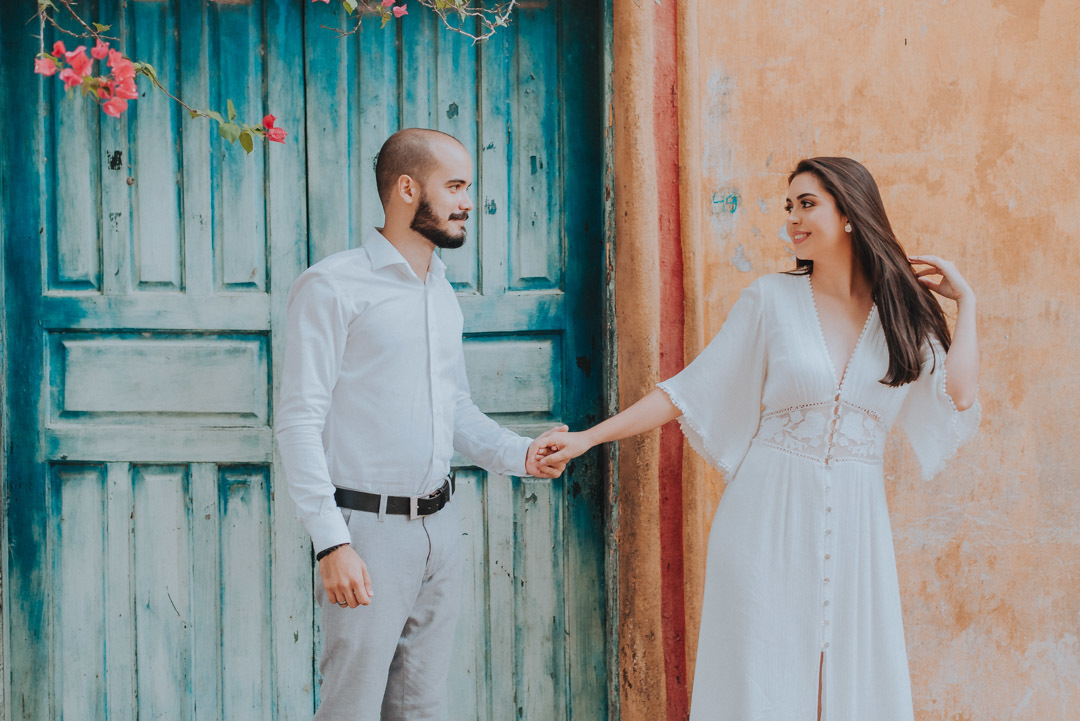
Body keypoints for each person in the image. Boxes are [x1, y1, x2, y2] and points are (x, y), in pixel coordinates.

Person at [537, 157, 980, 721]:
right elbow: (687, 392)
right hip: (765, 516)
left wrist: (967, 303)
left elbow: (959, 394)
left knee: (849, 681)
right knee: (760, 681)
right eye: (788, 205)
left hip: (856, 525)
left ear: (849, 212)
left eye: (807, 203)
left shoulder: (900, 312)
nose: (792, 217)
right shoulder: (770, 299)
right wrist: (589, 439)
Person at [275, 128, 567, 721]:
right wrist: (332, 541)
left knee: (421, 709)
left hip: (440, 529)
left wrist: (521, 454)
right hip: (366, 532)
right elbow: (298, 420)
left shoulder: (440, 290)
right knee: (351, 709)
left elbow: (454, 407)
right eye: (455, 187)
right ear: (407, 189)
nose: (468, 203)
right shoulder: (332, 286)